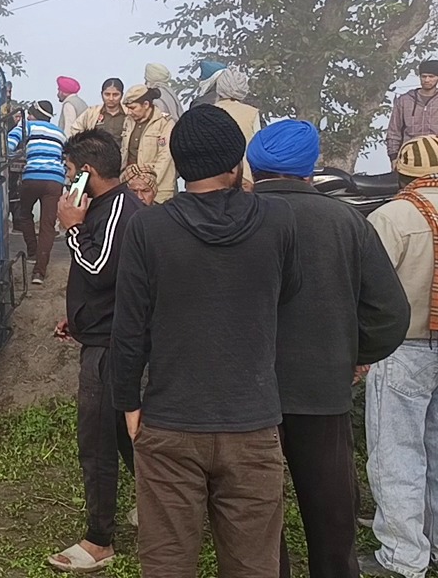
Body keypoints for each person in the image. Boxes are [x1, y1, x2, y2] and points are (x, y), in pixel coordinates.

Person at [110, 105, 301, 577]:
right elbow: (288, 292)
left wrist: (129, 402)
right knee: (253, 563)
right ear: (237, 163)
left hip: (169, 420)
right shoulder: (278, 220)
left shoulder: (148, 227)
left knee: (167, 561)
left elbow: (129, 327)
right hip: (252, 422)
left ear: (178, 162)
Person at [249, 120, 409, 578]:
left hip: (250, 392)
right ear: (310, 168)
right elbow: (389, 312)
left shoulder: (237, 218)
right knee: (332, 513)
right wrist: (357, 354)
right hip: (323, 387)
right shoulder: (345, 221)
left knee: (257, 515)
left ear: (254, 167)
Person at [47, 129, 141, 573]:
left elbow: (99, 268)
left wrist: (72, 227)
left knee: (98, 443)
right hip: (102, 334)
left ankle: (99, 540)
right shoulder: (104, 208)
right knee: (123, 435)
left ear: (86, 171)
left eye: (69, 170)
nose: (67, 179)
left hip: (110, 348)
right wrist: (79, 317)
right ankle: (158, 500)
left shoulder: (118, 209)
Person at [361, 135, 438, 578]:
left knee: (396, 455)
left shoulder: (393, 215)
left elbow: (368, 289)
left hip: (403, 347)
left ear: (402, 174)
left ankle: (403, 556)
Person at [7, 100, 67, 285]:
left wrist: (13, 157)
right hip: (55, 180)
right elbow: (65, 156)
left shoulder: (27, 125)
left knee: (24, 214)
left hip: (32, 177)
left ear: (33, 115)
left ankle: (32, 252)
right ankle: (39, 272)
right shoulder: (60, 132)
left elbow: (8, 144)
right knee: (48, 225)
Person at [119, 85, 177, 203]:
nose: (129, 112)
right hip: (131, 187)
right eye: (128, 108)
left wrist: (148, 182)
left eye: (133, 108)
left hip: (158, 188)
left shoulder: (165, 122)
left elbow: (165, 157)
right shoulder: (128, 121)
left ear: (146, 104)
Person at [212, 66, 263, 188]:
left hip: (214, 177)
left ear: (219, 87)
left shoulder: (209, 111)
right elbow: (257, 148)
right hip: (245, 178)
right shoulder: (252, 113)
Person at [385, 59, 438, 162]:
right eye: (424, 76)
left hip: (436, 156)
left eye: (431, 76)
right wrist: (393, 157)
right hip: (409, 157)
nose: (427, 80)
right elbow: (393, 131)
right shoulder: (404, 100)